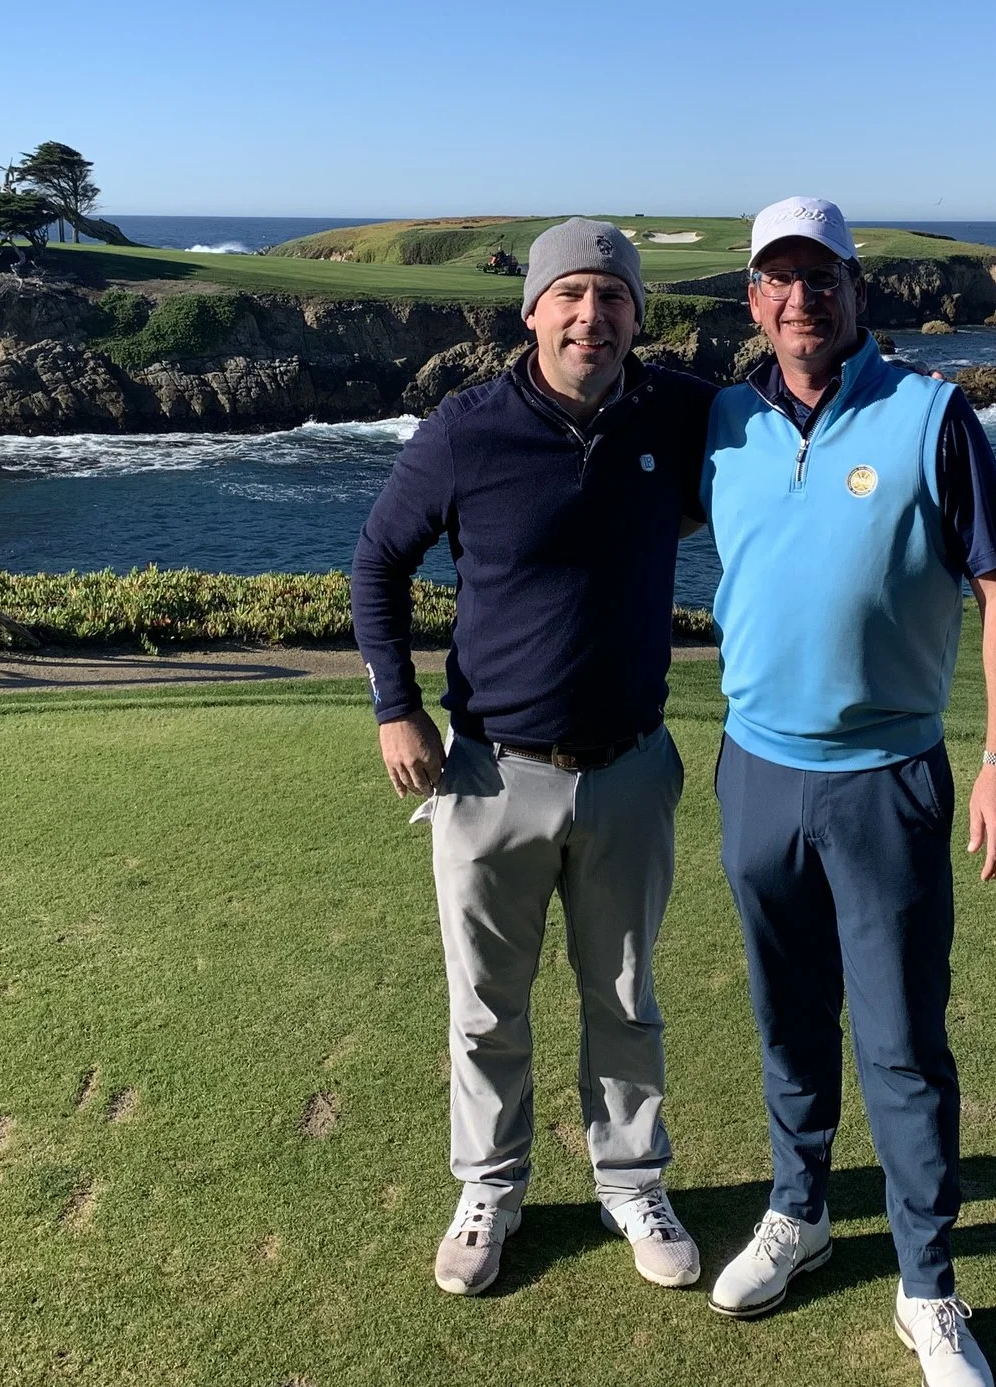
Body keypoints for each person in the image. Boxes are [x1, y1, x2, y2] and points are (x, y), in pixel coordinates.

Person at [699, 196, 996, 1387]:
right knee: (787, 1019)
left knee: (900, 1046)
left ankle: (927, 1287)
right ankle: (799, 1212)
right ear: (753, 299)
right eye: (778, 279)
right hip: (755, 771)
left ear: (855, 289)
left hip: (886, 779)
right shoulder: (725, 423)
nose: (801, 298)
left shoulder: (932, 415)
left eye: (821, 277)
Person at [351, 218, 717, 1299]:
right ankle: (491, 1187)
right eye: (571, 296)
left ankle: (630, 1179)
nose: (590, 317)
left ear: (637, 315)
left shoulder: (681, 413)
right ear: (533, 311)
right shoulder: (464, 431)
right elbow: (378, 562)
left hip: (632, 767)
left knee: (625, 996)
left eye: (612, 298)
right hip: (487, 772)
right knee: (484, 1006)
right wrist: (394, 707)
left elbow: (800, 434)